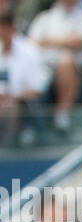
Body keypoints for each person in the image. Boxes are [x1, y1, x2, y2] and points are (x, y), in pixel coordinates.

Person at [26, 0, 82, 133]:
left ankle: (62, 114)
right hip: (43, 66)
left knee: (65, 60)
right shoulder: (45, 17)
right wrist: (64, 41)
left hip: (75, 69)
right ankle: (27, 126)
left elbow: (78, 42)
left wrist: (49, 41)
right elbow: (31, 44)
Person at [0, 9, 48, 147]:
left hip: (23, 105)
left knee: (10, 105)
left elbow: (36, 90)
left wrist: (11, 97)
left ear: (13, 28)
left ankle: (7, 147)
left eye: (5, 28)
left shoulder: (29, 52)